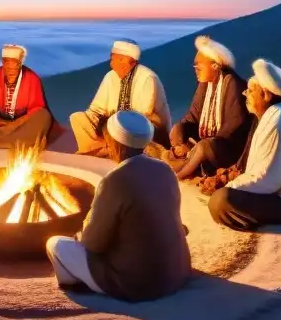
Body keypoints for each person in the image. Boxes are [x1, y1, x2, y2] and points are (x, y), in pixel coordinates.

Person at [46, 111, 190, 302]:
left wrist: (81, 234)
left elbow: (92, 244)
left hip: (138, 283)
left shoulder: (115, 180)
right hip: (177, 273)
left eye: (107, 140)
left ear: (115, 143)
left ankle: (80, 286)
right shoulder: (165, 170)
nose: (107, 145)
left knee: (55, 244)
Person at [208, 59, 281, 231]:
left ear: (266, 95)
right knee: (223, 197)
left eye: (251, 91)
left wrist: (230, 186)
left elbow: (268, 179)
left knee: (220, 201)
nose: (245, 94)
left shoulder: (278, 122)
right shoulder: (273, 115)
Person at [151, 36, 253, 180]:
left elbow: (232, 128)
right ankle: (186, 160)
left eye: (199, 66)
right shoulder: (205, 83)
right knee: (177, 129)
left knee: (205, 146)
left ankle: (178, 175)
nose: (196, 71)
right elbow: (192, 116)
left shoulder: (233, 84)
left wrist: (195, 147)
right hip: (203, 142)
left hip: (227, 148)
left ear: (215, 66)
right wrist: (180, 139)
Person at [69, 39, 171, 157]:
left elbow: (141, 117)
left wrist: (112, 123)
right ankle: (98, 150)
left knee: (122, 128)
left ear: (124, 60)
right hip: (112, 126)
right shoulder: (110, 76)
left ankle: (112, 150)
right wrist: (92, 121)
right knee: (78, 118)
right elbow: (97, 109)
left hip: (145, 131)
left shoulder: (147, 78)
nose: (110, 62)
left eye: (113, 58)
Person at [0, 44, 54, 150]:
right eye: (6, 64)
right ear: (3, 63)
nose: (10, 69)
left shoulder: (32, 78)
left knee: (44, 116)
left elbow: (37, 108)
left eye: (14, 64)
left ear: (20, 64)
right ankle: (24, 142)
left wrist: (15, 124)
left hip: (22, 121)